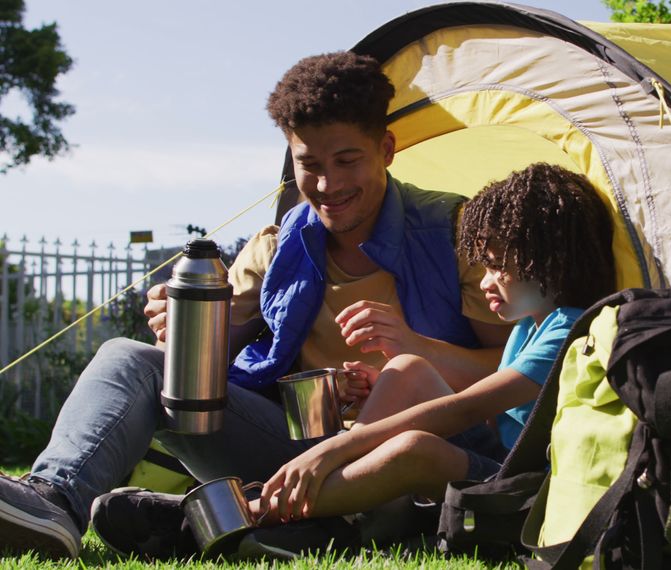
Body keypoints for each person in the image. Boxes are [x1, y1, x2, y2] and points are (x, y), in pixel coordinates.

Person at [0, 51, 511, 560]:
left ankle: (233, 519)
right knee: (128, 359)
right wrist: (179, 332)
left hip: (412, 458)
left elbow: (515, 375)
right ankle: (54, 502)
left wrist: (418, 348)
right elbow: (205, 363)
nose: (328, 186)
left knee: (401, 404)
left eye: (347, 161)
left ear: (387, 148)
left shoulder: (454, 233)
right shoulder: (276, 245)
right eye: (309, 165)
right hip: (301, 447)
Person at [95, 162, 618, 559]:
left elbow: (462, 413)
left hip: (520, 484)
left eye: (499, 267)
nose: (484, 283)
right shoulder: (529, 325)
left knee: (416, 447)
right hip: (492, 457)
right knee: (405, 370)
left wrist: (340, 444)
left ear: (549, 262)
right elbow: (489, 418)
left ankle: (240, 516)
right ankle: (329, 515)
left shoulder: (571, 328)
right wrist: (381, 390)